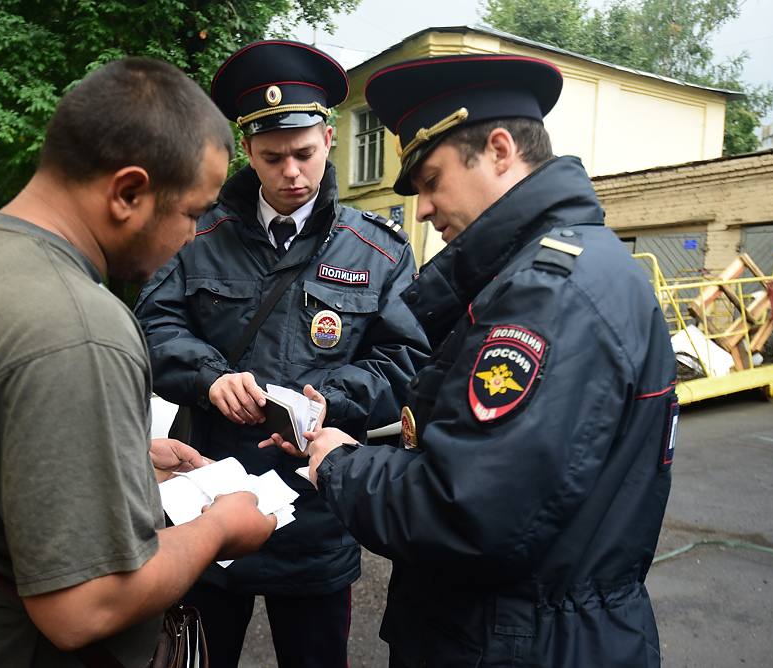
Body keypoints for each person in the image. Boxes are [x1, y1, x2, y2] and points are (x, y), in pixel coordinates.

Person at [0, 57, 277, 667]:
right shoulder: (79, 323)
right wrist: (221, 528)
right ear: (128, 192)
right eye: (192, 214)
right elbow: (83, 607)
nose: (194, 238)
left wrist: (117, 456)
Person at [288, 54, 679, 667]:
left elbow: (466, 510)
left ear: (499, 151)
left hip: (517, 642)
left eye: (431, 180)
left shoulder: (544, 294)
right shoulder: (561, 272)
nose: (420, 209)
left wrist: (339, 465)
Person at [134, 40, 431, 668]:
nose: (292, 172)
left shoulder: (377, 250)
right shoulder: (198, 236)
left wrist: (333, 398)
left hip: (318, 509)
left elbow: (407, 358)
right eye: (273, 158)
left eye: (304, 153)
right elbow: (151, 329)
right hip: (209, 501)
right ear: (249, 151)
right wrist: (209, 377)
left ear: (328, 138)